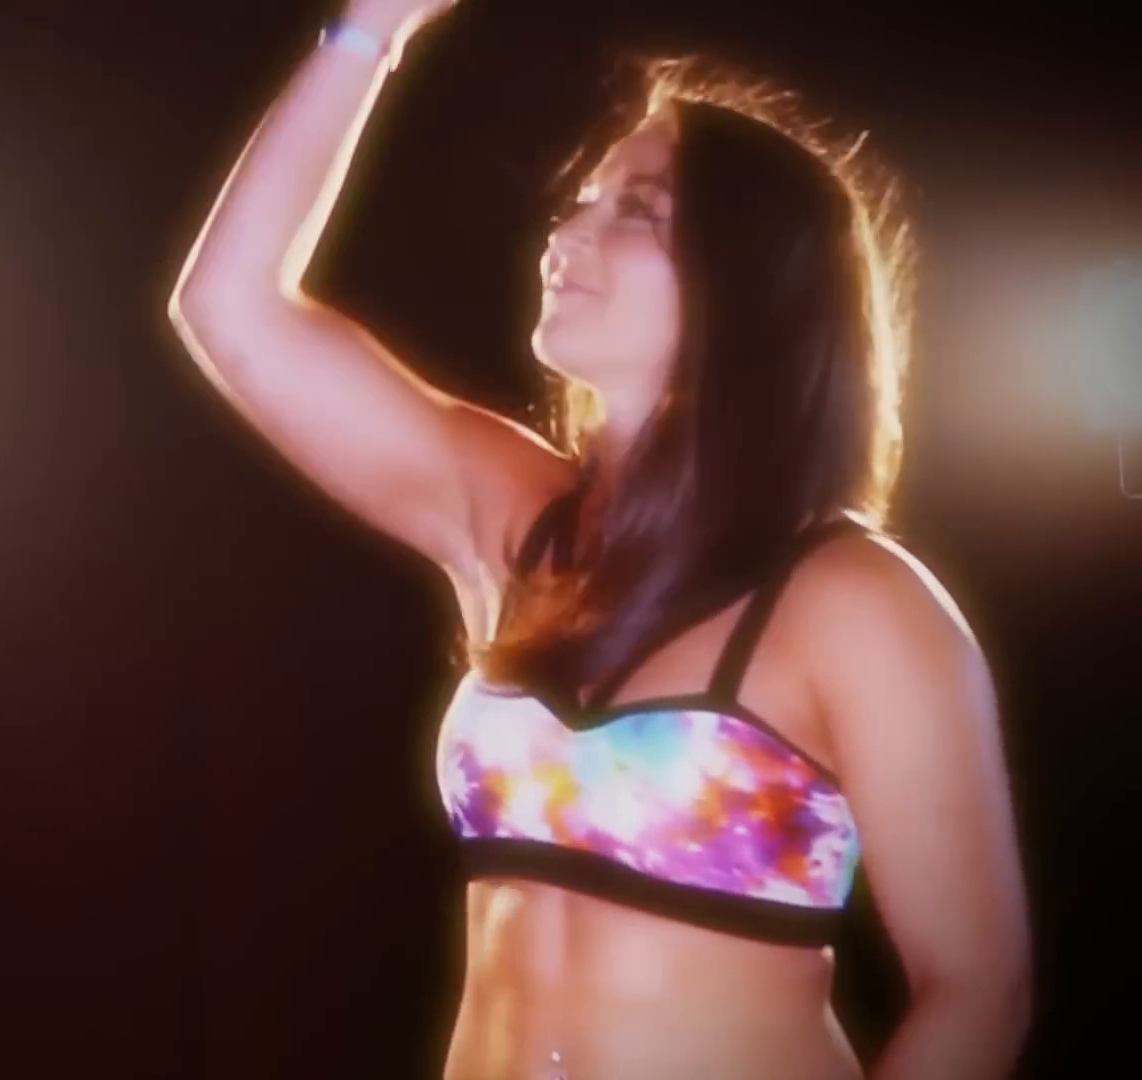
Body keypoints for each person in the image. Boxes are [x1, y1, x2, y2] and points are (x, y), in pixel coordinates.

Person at [166, 2, 1030, 1077]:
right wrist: (372, 31)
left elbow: (977, 988)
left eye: (636, 210)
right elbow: (232, 308)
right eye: (579, 202)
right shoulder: (516, 523)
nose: (565, 235)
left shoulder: (854, 603)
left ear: (750, 282)